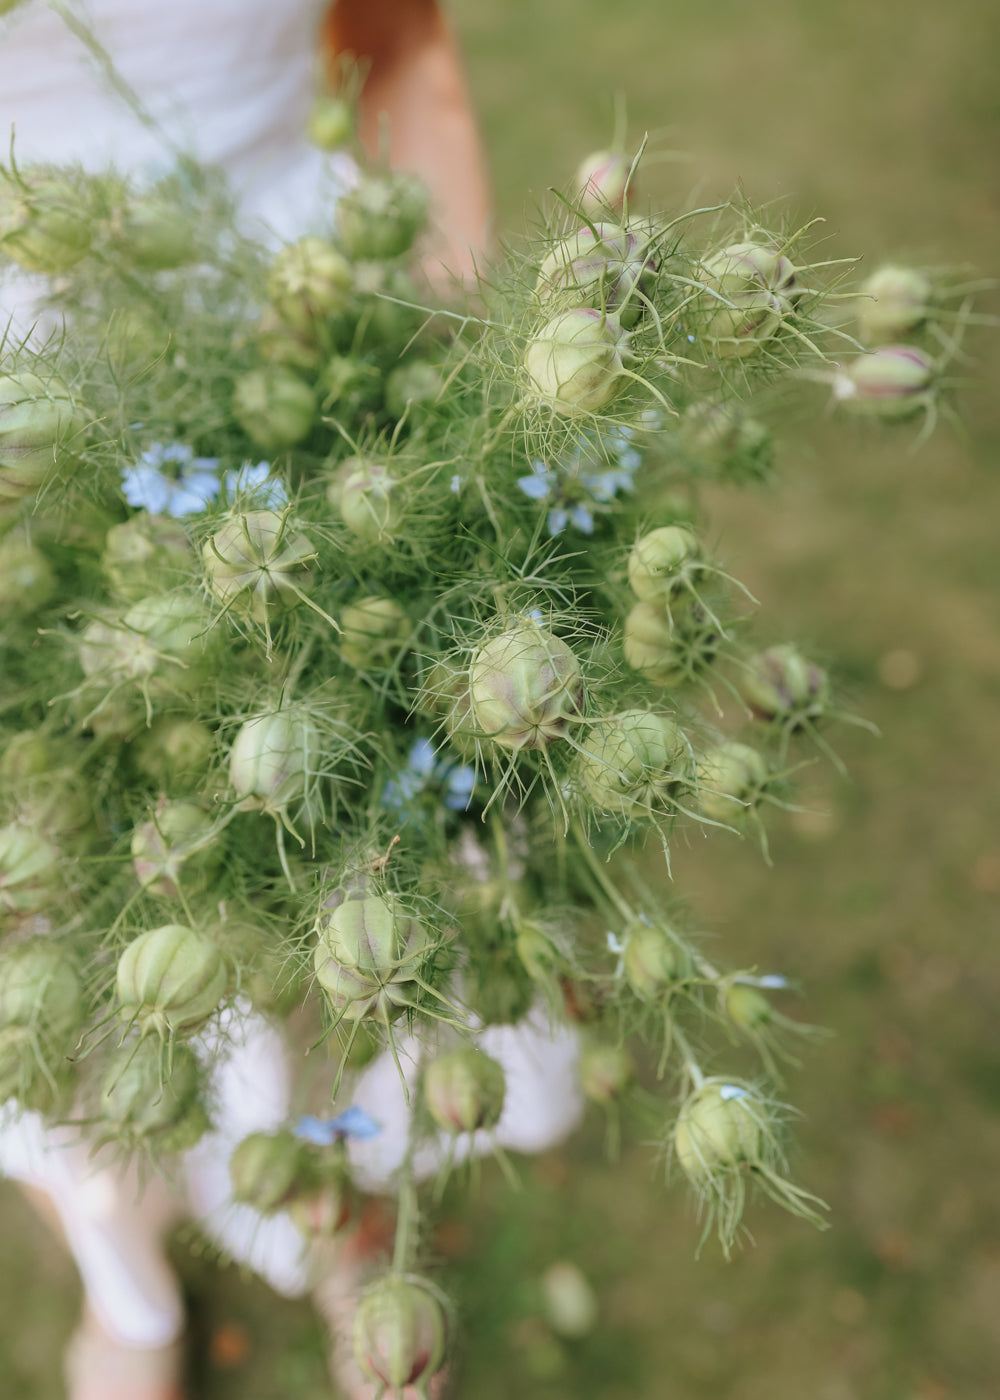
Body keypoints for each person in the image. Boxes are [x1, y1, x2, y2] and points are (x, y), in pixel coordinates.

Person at [0, 5, 582, 1397]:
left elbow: (400, 51)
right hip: (24, 396)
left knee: (342, 888)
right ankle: (128, 1289)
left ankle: (341, 1220)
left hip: (313, 340)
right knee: (48, 947)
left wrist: (467, 395)